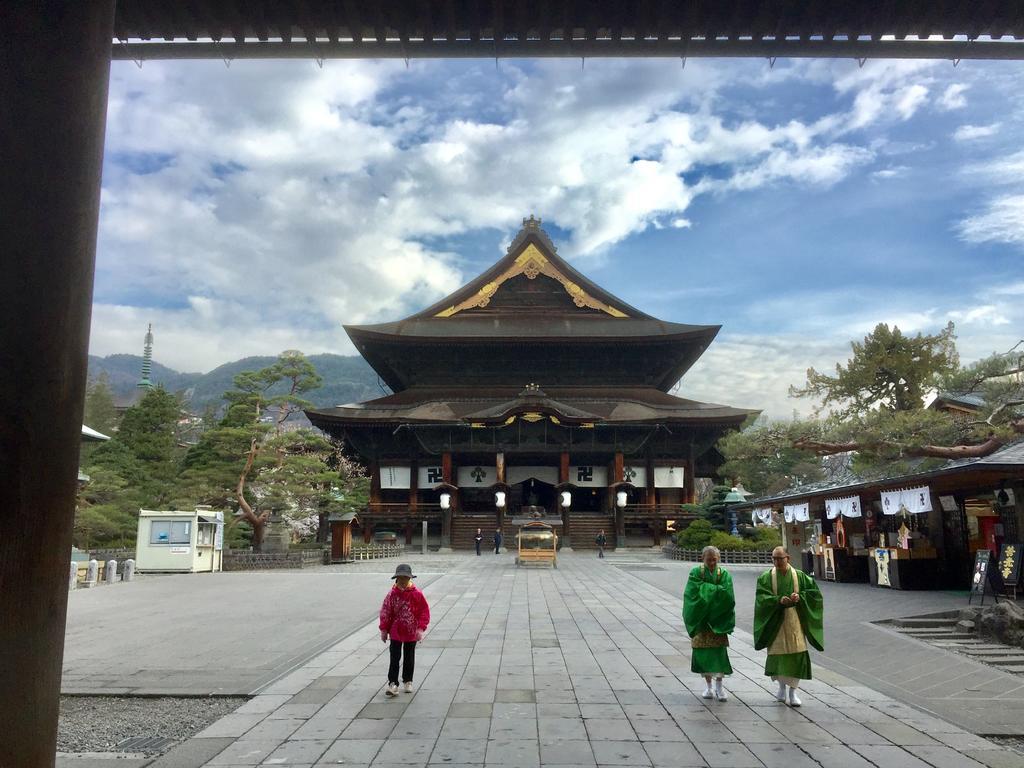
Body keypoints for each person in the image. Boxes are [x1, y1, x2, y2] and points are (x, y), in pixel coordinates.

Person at [753, 546, 824, 707]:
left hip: (794, 620)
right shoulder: (766, 577)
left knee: (797, 653)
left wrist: (800, 597)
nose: (777, 562)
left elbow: (815, 595)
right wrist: (777, 600)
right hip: (776, 621)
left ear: (788, 558)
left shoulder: (800, 576)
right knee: (778, 655)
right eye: (774, 559)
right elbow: (761, 598)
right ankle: (781, 687)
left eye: (780, 558)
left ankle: (793, 691)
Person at [683, 545, 735, 702]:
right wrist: (715, 591)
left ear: (718, 559)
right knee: (703, 655)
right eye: (708, 560)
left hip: (718, 620)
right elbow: (692, 594)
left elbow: (728, 595)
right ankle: (708, 686)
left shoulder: (724, 574)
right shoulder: (695, 573)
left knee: (719, 653)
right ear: (702, 559)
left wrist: (707, 591)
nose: (712, 563)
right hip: (701, 620)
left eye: (714, 560)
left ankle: (719, 686)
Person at [379, 563, 430, 697]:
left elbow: (424, 611)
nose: (402, 581)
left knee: (409, 657)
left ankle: (408, 680)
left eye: (405, 578)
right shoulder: (392, 594)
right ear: (396, 579)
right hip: (396, 630)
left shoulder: (417, 594)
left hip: (411, 630)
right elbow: (386, 611)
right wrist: (384, 629)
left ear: (409, 579)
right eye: (400, 578)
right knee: (394, 657)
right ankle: (393, 683)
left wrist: (420, 628)